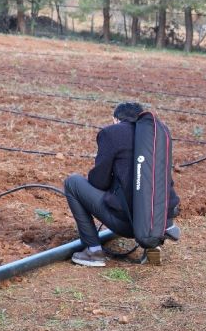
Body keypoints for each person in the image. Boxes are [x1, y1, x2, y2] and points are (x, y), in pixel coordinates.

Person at [64, 102, 180, 266]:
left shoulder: (112, 133)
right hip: (162, 221)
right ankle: (152, 244)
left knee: (73, 183)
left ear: (115, 120)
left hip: (127, 223)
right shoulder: (156, 136)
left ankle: (94, 251)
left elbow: (99, 181)